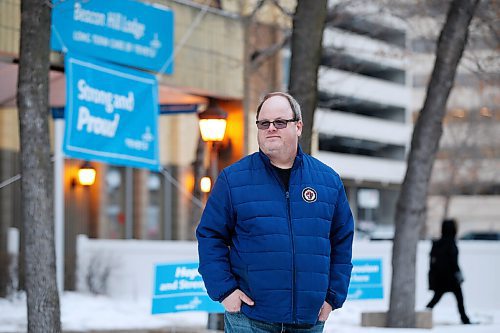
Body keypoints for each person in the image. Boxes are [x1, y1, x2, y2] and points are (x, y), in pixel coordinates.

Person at [196, 92, 354, 332]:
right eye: (264, 123)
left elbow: (341, 241)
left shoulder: (328, 181)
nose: (271, 128)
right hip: (250, 319)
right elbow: (210, 236)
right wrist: (225, 291)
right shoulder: (233, 179)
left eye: (280, 122)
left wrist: (332, 296)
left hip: (308, 321)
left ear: (298, 126)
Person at [426, 218, 471, 324]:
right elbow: (454, 263)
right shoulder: (451, 244)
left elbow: (432, 263)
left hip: (440, 278)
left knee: (436, 299)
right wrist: (459, 275)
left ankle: (424, 314)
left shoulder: (437, 244)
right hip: (451, 279)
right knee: (459, 299)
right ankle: (464, 319)